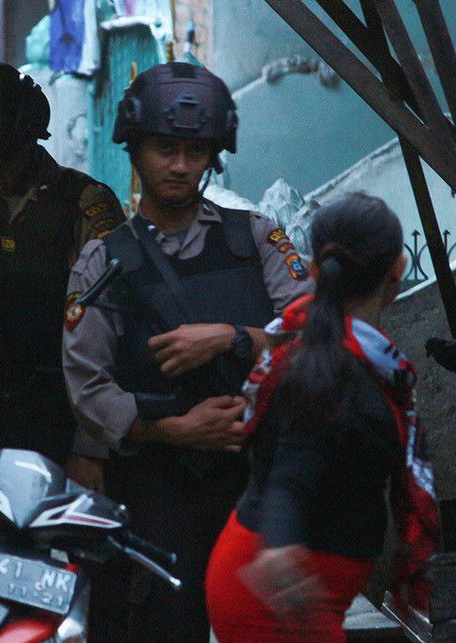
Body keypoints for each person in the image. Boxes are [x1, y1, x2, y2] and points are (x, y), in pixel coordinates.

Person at [62, 61, 314, 641]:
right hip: (155, 493)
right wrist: (175, 429)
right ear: (134, 149)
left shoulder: (255, 238)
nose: (178, 165)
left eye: (194, 151)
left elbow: (313, 340)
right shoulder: (102, 261)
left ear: (213, 155)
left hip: (255, 487)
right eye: (164, 148)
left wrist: (231, 338)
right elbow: (87, 386)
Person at [205, 193, 440, 642]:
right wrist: (281, 549)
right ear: (399, 271)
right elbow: (290, 476)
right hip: (277, 600)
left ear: (313, 271)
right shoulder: (332, 372)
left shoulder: (347, 358)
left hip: (285, 592)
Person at [0, 60, 125, 466]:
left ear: (28, 139)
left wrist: (91, 449)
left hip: (74, 427)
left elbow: (114, 335)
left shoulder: (84, 205)